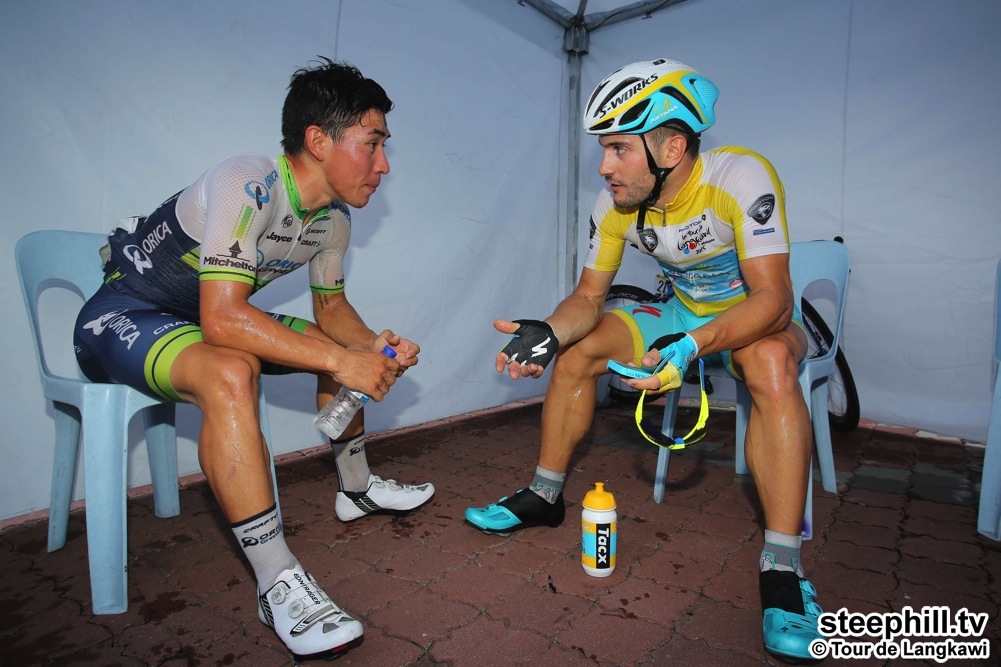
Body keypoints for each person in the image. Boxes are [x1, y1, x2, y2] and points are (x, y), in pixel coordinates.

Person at [464, 58, 823, 662]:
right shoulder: (615, 205)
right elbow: (587, 299)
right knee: (578, 349)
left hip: (753, 319)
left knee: (768, 365)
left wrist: (693, 346)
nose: (604, 167)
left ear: (672, 148)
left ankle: (783, 566)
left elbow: (775, 299)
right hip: (683, 313)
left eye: (619, 149)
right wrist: (549, 331)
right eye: (603, 149)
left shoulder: (739, 176)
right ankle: (544, 497)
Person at [73, 57, 434, 657]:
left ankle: (357, 489)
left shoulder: (333, 221)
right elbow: (223, 320)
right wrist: (342, 363)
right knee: (231, 369)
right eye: (372, 144)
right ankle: (276, 582)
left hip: (197, 321)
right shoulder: (249, 183)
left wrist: (371, 346)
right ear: (318, 140)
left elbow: (332, 310)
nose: (384, 164)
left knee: (339, 349)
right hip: (124, 315)